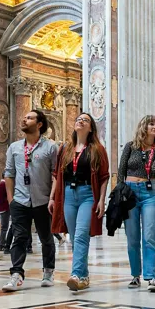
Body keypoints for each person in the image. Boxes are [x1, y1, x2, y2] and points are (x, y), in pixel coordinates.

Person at [2, 110, 60, 292]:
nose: (24, 119)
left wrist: (52, 198)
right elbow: (9, 174)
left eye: (29, 118)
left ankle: (48, 271)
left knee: (46, 238)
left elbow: (56, 175)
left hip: (42, 200)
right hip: (20, 200)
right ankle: (16, 274)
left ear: (40, 124)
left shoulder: (51, 147)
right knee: (19, 238)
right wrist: (11, 200)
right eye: (24, 117)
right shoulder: (14, 147)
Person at [51, 112, 110, 291]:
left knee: (81, 234)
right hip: (68, 194)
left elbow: (104, 177)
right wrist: (52, 197)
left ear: (91, 127)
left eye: (85, 120)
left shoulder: (97, 149)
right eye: (78, 119)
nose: (80, 121)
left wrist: (101, 200)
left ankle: (76, 274)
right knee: (75, 237)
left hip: (87, 194)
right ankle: (83, 276)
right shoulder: (65, 148)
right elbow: (56, 175)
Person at [119, 115, 155, 292]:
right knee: (132, 237)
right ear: (144, 126)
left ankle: (151, 277)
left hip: (149, 192)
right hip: (130, 191)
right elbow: (121, 171)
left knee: (149, 235)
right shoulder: (130, 146)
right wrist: (121, 193)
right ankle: (135, 275)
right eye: (151, 123)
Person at [0, 175, 11, 252]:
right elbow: (5, 197)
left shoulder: (2, 184)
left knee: (4, 227)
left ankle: (3, 242)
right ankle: (2, 244)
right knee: (4, 227)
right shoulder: (3, 184)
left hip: (4, 207)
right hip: (5, 208)